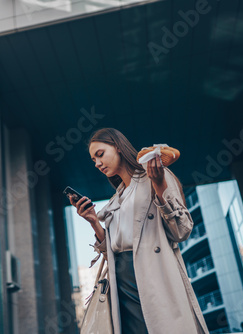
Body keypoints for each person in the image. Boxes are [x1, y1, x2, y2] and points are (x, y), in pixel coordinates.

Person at [69, 128, 209, 334]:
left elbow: (182, 231)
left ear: (118, 147)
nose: (97, 163)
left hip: (154, 278)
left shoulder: (156, 177)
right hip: (121, 287)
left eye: (100, 154)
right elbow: (111, 254)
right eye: (93, 160)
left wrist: (160, 187)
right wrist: (93, 221)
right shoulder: (115, 200)